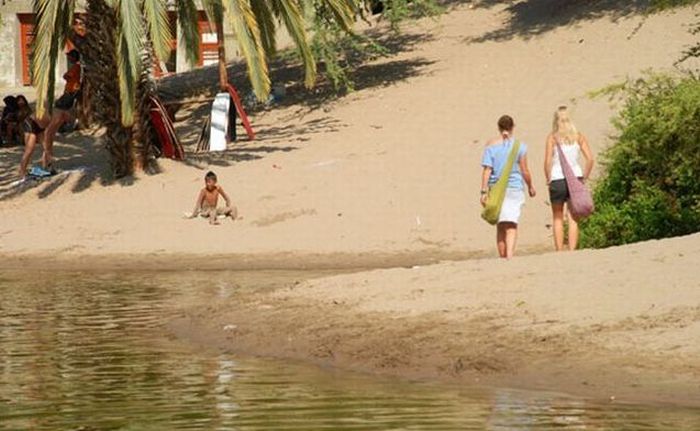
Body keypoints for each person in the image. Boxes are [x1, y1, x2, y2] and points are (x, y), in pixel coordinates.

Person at [480, 115, 536, 259]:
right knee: (511, 224)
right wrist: (530, 186)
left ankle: (503, 256)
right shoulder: (520, 147)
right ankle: (510, 256)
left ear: (499, 127)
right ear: (512, 127)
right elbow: (525, 170)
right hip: (515, 187)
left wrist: (483, 191)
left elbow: (487, 170)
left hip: (496, 189)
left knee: (500, 225)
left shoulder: (490, 146)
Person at [544, 106, 595, 251]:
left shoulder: (552, 138)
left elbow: (547, 161)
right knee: (573, 217)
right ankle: (572, 250)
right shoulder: (578, 137)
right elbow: (590, 159)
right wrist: (584, 176)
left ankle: (560, 250)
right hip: (576, 177)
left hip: (557, 179)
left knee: (557, 217)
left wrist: (548, 177)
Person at [42, 49, 82, 170]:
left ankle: (73, 120)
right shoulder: (77, 67)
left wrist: (66, 76)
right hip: (71, 91)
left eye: (70, 56)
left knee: (59, 107)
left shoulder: (76, 67)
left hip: (71, 92)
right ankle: (69, 121)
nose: (68, 58)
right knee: (60, 110)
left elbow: (67, 76)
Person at [18, 113, 52, 178]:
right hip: (31, 123)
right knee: (29, 150)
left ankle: (46, 167)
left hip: (40, 125)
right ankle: (22, 172)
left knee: (47, 147)